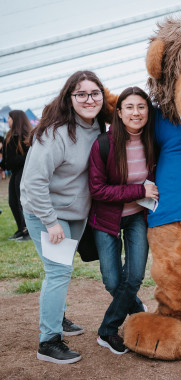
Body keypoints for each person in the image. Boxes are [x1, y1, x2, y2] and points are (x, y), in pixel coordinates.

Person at [20, 71, 108, 364]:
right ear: (69, 98)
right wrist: (50, 221)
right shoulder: (55, 133)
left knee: (63, 268)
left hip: (74, 212)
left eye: (95, 93)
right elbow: (34, 183)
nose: (89, 99)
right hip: (44, 211)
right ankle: (48, 341)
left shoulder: (98, 127)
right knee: (58, 272)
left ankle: (56, 316)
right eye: (81, 94)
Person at [88, 86, 157, 354]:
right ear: (119, 112)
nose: (136, 112)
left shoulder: (153, 141)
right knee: (113, 281)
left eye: (141, 107)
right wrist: (138, 190)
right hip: (106, 219)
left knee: (135, 275)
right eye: (129, 107)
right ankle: (138, 310)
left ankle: (107, 331)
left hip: (137, 217)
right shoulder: (103, 144)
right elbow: (97, 189)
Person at [0, 110, 32, 240]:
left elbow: (30, 156)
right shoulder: (10, 135)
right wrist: (4, 165)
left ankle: (28, 230)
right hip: (15, 172)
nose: (8, 120)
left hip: (23, 172)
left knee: (21, 202)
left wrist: (13, 161)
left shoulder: (25, 135)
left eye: (9, 118)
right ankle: (21, 228)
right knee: (13, 202)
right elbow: (8, 157)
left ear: (16, 119)